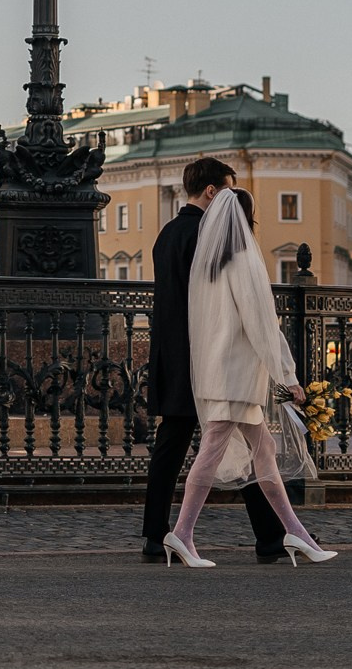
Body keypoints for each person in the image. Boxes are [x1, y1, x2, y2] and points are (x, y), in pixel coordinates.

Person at [165, 185, 337, 568]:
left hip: (217, 370)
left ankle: (296, 532)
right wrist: (288, 376)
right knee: (212, 453)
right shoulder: (244, 262)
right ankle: (183, 533)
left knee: (265, 453)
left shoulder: (208, 267)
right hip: (237, 375)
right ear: (245, 219)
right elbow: (262, 324)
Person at [141, 157, 289, 565]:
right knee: (243, 442)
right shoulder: (211, 235)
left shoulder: (167, 233)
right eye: (228, 189)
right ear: (212, 191)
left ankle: (156, 535)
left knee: (171, 449)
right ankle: (272, 537)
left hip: (169, 355)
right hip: (208, 356)